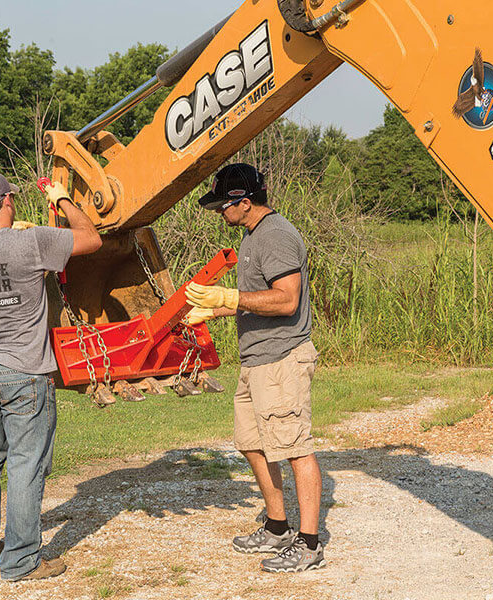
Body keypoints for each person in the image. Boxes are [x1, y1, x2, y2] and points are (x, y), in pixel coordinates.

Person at [0, 171, 101, 581]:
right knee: (25, 465)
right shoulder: (31, 243)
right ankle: (20, 561)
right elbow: (91, 238)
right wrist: (63, 198)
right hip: (23, 372)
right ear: (9, 201)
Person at [184, 163, 325, 573]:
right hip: (256, 359)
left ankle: (310, 544)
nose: (218, 213)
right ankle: (278, 526)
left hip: (282, 360)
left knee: (295, 448)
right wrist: (218, 307)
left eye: (222, 207)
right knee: (251, 441)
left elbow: (286, 301)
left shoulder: (277, 236)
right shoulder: (252, 236)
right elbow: (255, 298)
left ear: (244, 203)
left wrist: (228, 296)